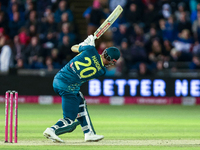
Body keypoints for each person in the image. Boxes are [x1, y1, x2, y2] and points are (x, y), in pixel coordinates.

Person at [43, 35, 120, 142]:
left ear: (104, 51)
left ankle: (89, 133)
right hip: (68, 87)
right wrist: (87, 46)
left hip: (58, 79)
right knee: (69, 118)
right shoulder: (102, 71)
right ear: (112, 61)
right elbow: (94, 60)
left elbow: (73, 48)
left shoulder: (90, 50)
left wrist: (84, 44)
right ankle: (52, 130)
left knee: (80, 101)